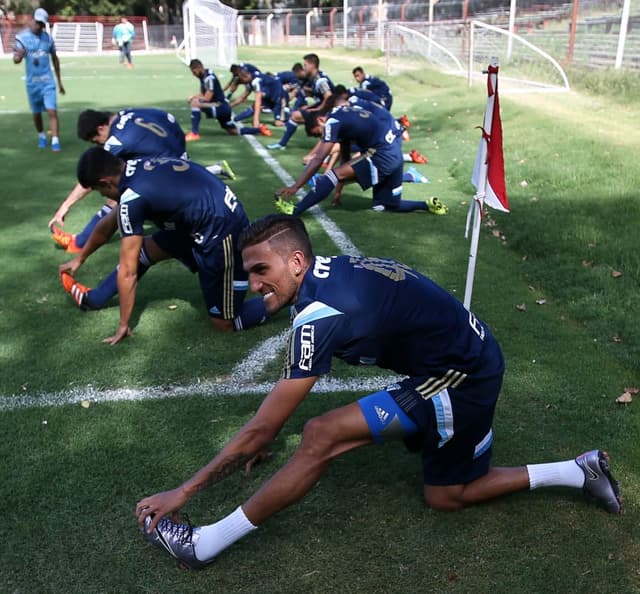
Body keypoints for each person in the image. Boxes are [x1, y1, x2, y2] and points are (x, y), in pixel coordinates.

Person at [135, 214, 622, 570]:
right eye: (250, 272)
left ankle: (205, 544)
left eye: (262, 270)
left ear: (297, 260)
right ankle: (578, 470)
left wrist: (185, 489)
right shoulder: (326, 274)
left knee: (408, 477)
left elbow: (265, 427)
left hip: (462, 375)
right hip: (455, 357)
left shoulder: (320, 316)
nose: (253, 283)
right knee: (403, 471)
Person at [58, 148, 268, 343]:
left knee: (223, 323)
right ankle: (93, 300)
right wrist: (80, 258)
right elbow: (106, 227)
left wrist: (123, 325)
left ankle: (285, 295)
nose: (104, 197)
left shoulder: (133, 196)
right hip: (199, 222)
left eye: (100, 191)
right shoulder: (136, 166)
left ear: (105, 182)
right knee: (144, 251)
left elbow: (128, 273)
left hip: (221, 231)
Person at [48, 107, 235, 254]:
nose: (100, 145)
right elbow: (167, 118)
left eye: (96, 140)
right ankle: (215, 169)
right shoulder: (128, 113)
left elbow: (93, 174)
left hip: (167, 170)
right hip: (175, 154)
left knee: (117, 195)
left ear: (101, 128)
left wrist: (66, 206)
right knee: (125, 179)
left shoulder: (116, 140)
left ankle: (79, 242)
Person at [273, 91, 448, 216]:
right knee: (384, 206)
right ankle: (428, 205)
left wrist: (296, 186)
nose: (322, 137)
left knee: (330, 175)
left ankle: (296, 211)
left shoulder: (332, 122)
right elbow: (346, 156)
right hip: (394, 150)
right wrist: (338, 192)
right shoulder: (340, 114)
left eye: (318, 133)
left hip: (382, 154)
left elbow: (318, 158)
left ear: (320, 120)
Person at [12, 8, 65, 152]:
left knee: (51, 110)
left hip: (48, 81)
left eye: (42, 24)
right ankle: (41, 136)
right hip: (32, 83)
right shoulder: (22, 38)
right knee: (36, 113)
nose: (39, 26)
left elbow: (55, 59)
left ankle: (55, 139)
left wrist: (59, 82)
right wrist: (20, 56)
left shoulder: (48, 38)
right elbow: (16, 59)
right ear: (32, 20)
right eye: (38, 22)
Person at [187, 59, 271, 140]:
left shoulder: (209, 78)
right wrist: (196, 96)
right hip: (223, 108)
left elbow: (207, 98)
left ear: (199, 67)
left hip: (219, 107)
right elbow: (203, 94)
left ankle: (194, 133)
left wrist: (194, 97)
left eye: (194, 72)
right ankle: (260, 129)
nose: (194, 74)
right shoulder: (204, 76)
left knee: (195, 103)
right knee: (233, 131)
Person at [267, 53, 334, 151]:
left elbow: (329, 96)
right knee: (296, 116)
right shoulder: (313, 78)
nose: (304, 68)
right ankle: (282, 144)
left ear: (312, 65)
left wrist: (318, 109)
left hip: (331, 108)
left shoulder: (320, 80)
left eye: (305, 65)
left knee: (297, 116)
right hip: (327, 106)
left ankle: (326, 150)